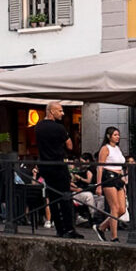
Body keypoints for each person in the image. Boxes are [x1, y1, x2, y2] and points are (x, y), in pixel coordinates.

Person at [34, 101, 79, 237]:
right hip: (58, 165)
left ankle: (59, 229)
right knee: (65, 197)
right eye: (60, 111)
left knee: (53, 198)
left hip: (45, 166)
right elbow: (70, 145)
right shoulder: (59, 128)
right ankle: (69, 229)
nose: (62, 113)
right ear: (51, 111)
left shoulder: (38, 127)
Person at [95, 125, 127, 242]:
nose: (117, 137)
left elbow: (120, 164)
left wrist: (123, 178)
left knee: (122, 209)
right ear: (109, 136)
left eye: (118, 135)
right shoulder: (105, 148)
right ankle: (114, 236)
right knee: (114, 207)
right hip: (109, 176)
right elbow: (100, 167)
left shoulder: (117, 149)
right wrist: (99, 184)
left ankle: (102, 226)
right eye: (115, 135)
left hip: (119, 177)